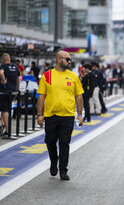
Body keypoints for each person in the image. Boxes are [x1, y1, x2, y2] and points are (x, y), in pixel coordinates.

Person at [37, 51, 84, 180]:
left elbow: (79, 96)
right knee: (50, 142)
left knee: (64, 143)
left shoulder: (74, 77)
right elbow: (41, 96)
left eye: (70, 59)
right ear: (59, 60)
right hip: (51, 115)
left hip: (68, 116)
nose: (69, 61)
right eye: (67, 59)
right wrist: (39, 115)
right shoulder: (47, 76)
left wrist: (79, 115)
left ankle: (63, 170)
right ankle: (53, 162)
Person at [0, 53, 20, 136]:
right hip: (12, 91)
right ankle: (3, 125)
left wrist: (3, 80)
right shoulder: (15, 66)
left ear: (3, 60)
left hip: (4, 92)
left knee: (5, 111)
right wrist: (17, 89)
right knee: (5, 109)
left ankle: (8, 131)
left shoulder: (3, 66)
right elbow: (18, 78)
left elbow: (1, 73)